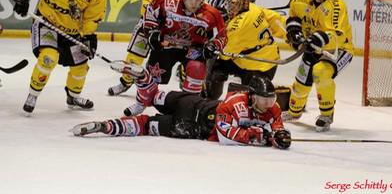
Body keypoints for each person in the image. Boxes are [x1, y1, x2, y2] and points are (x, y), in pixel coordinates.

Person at [71, 75, 291, 149]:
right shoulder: (234, 103)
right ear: (252, 96)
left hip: (193, 118)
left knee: (148, 123)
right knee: (154, 107)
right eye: (264, 98)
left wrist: (279, 135)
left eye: (271, 98)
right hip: (193, 118)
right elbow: (224, 135)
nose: (269, 103)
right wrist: (255, 136)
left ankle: (107, 126)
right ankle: (144, 81)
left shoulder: (272, 108)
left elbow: (277, 126)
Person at [11, 0, 107, 114]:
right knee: (48, 58)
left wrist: (88, 36)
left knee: (81, 66)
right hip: (47, 23)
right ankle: (33, 94)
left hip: (72, 32)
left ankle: (73, 96)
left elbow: (92, 18)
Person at [122, 0, 226, 116]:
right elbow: (150, 13)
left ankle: (188, 106)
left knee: (196, 69)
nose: (195, 3)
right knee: (152, 76)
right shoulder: (166, 0)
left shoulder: (212, 14)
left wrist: (214, 45)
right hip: (167, 45)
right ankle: (141, 104)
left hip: (193, 49)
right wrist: (152, 31)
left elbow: (223, 35)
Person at [108, 0, 190, 96]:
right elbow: (146, 6)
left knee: (181, 56)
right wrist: (155, 25)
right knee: (135, 55)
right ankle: (125, 82)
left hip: (173, 29)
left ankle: (184, 83)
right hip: (150, 24)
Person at [284, 0, 354, 132]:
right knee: (301, 82)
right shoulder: (300, 1)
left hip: (339, 49)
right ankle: (295, 111)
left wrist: (316, 38)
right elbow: (293, 17)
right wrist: (294, 33)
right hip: (313, 48)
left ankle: (326, 114)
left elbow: (337, 34)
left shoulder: (336, 5)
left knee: (320, 72)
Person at [205, 0, 286, 100]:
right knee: (253, 97)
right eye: (231, 5)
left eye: (235, 5)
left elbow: (226, 54)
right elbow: (275, 19)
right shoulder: (254, 8)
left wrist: (214, 45)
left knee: (216, 63)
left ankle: (210, 98)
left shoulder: (237, 27)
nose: (232, 8)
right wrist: (289, 35)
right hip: (270, 62)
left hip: (253, 65)